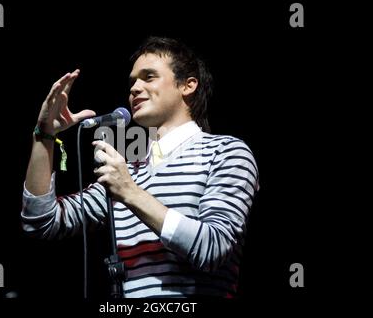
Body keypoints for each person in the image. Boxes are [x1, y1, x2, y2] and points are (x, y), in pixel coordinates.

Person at [21, 36, 259, 298]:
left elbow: (213, 248)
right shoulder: (126, 173)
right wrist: (43, 136)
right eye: (132, 81)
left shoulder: (226, 152)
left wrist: (132, 194)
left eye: (148, 77)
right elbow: (42, 222)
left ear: (188, 85)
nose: (134, 88)